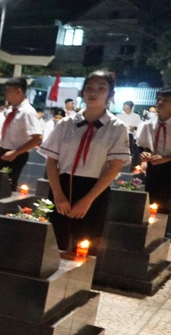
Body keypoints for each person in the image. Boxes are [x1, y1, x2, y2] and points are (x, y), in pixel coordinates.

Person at [40, 70, 129, 252]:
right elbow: (51, 162)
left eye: (101, 88)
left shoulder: (117, 128)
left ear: (111, 95)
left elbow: (114, 167)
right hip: (62, 188)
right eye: (89, 88)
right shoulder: (66, 124)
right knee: (52, 246)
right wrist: (58, 195)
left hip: (94, 190)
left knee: (85, 247)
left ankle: (78, 281)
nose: (93, 93)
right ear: (82, 92)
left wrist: (88, 200)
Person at [0, 77, 42, 190]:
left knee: (6, 186)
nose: (6, 95)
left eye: (9, 91)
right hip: (2, 150)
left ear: (19, 91)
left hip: (15, 154)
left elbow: (37, 138)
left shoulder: (27, 112)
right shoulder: (11, 110)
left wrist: (15, 153)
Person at [138, 87, 171, 214]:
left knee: (167, 201)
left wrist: (166, 158)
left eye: (166, 100)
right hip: (154, 166)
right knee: (152, 200)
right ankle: (153, 229)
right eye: (159, 99)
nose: (160, 103)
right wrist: (145, 155)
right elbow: (144, 145)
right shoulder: (148, 124)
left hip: (168, 164)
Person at [117, 100, 143, 165]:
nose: (124, 108)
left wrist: (134, 127)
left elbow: (139, 127)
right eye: (124, 106)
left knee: (130, 150)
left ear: (130, 107)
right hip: (120, 135)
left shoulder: (136, 116)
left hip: (131, 135)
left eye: (126, 107)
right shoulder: (119, 116)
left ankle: (128, 164)